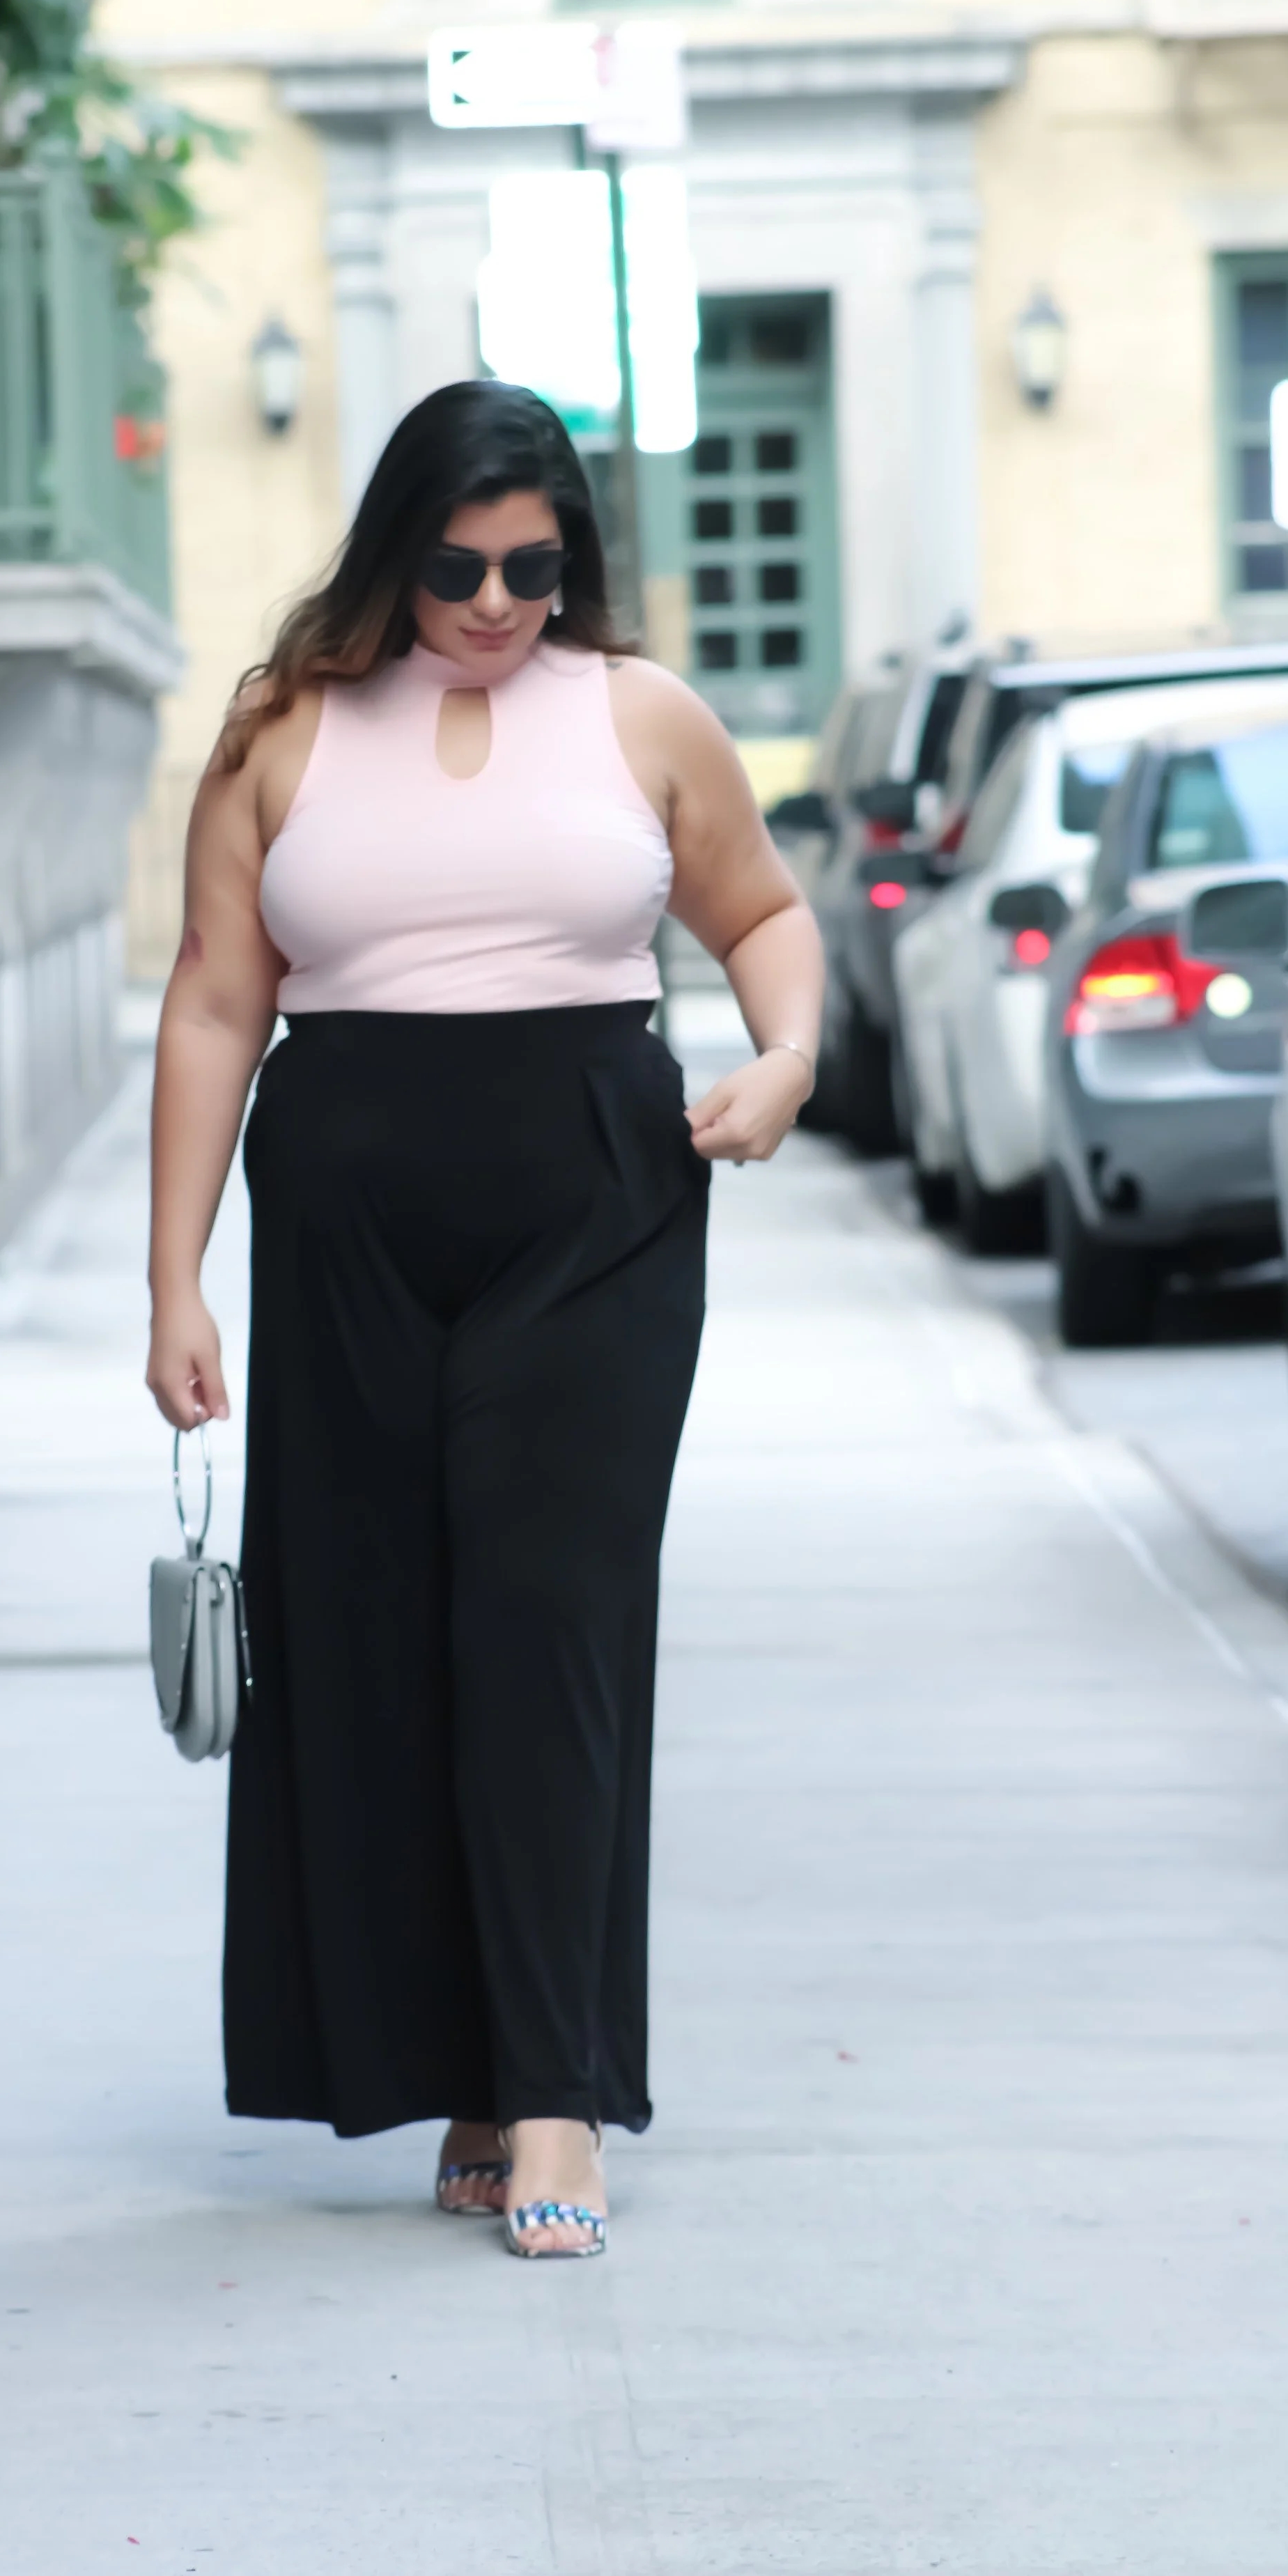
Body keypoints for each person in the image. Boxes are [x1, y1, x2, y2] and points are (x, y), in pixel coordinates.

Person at [146, 380, 823, 2258]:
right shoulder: (284, 727)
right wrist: (173, 1276)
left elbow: (762, 912)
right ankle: (456, 2065)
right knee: (373, 1639)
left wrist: (785, 1058)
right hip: (347, 1223)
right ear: (395, 553)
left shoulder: (639, 715)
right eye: (457, 568)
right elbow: (214, 999)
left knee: (548, 1629)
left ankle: (554, 2094)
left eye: (535, 566)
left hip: (595, 1211)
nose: (497, 603)